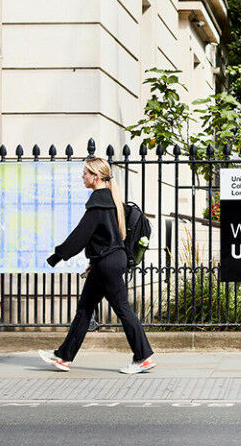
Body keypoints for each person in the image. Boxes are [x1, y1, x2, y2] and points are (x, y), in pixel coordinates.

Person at [38, 157, 155, 374]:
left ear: (96, 176)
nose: (82, 176)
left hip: (107, 263)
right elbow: (106, 237)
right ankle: (63, 356)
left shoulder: (99, 203)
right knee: (85, 308)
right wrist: (94, 262)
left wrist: (57, 256)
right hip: (106, 261)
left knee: (122, 308)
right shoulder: (109, 199)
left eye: (85, 173)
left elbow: (81, 236)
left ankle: (143, 357)